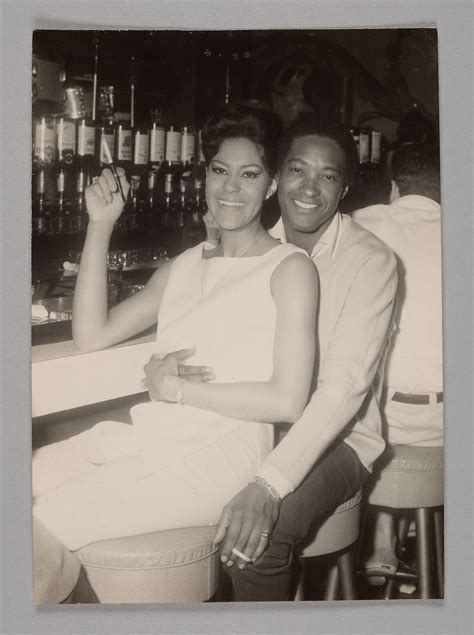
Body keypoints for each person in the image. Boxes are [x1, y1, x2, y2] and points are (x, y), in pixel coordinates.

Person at [31, 101, 319, 554]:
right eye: (220, 170)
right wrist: (100, 225)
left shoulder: (289, 268)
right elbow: (90, 335)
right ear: (205, 175)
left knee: (43, 521)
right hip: (154, 434)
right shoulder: (182, 267)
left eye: (249, 175)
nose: (230, 187)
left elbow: (289, 401)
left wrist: (178, 389)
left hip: (220, 451)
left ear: (271, 185)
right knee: (29, 472)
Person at [167, 114, 398, 600]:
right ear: (276, 179)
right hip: (253, 421)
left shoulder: (371, 261)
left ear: (345, 187)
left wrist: (269, 485)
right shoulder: (249, 244)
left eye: (328, 176)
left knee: (256, 542)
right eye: (297, 170)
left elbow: (343, 390)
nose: (309, 188)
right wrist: (161, 366)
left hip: (340, 437)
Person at [351, 144, 443, 579]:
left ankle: (381, 538)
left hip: (382, 430)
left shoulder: (363, 223)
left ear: (393, 189)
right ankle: (395, 538)